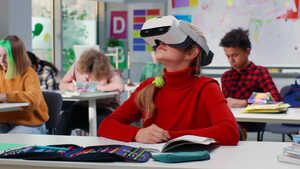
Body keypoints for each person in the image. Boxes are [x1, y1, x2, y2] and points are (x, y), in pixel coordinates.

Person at [98, 15, 240, 145]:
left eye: (170, 40)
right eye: (158, 41)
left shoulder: (206, 87)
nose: (160, 43)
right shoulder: (149, 86)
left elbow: (230, 132)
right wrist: (137, 134)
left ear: (191, 52)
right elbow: (106, 126)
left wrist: (167, 137)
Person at [219, 28, 282, 140]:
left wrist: (246, 102)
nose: (231, 60)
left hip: (253, 120)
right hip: (232, 120)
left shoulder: (259, 72)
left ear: (247, 51)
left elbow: (276, 98)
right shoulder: (226, 76)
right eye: (228, 56)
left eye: (235, 55)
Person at [57, 49, 124, 135]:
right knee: (64, 119)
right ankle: (61, 147)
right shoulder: (77, 65)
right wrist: (70, 86)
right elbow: (62, 84)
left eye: (90, 73)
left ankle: (99, 148)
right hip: (83, 106)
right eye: (85, 73)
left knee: (102, 124)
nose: (87, 77)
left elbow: (119, 86)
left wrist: (101, 87)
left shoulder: (107, 69)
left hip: (105, 107)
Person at [0, 35, 48, 134]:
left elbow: (33, 99)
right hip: (4, 122)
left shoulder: (29, 73)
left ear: (17, 57)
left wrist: (5, 96)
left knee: (9, 142)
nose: (1, 61)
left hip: (30, 123)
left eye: (6, 56)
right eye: (0, 56)